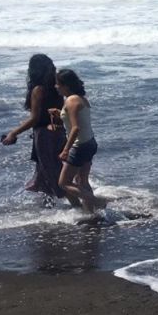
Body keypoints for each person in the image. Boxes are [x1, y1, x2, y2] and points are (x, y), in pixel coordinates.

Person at [1, 54, 75, 205]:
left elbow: (34, 118)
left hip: (44, 136)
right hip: (58, 132)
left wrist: (13, 133)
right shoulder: (55, 87)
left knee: (51, 172)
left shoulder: (38, 89)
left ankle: (79, 206)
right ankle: (49, 207)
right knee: (47, 172)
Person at [54, 69, 106, 212]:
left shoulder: (71, 101)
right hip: (90, 142)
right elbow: (78, 121)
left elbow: (76, 128)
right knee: (82, 181)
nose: (56, 87)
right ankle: (91, 213)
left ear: (66, 85)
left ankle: (97, 202)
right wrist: (60, 114)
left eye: (58, 84)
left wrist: (65, 150)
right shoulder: (80, 98)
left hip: (80, 146)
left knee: (63, 183)